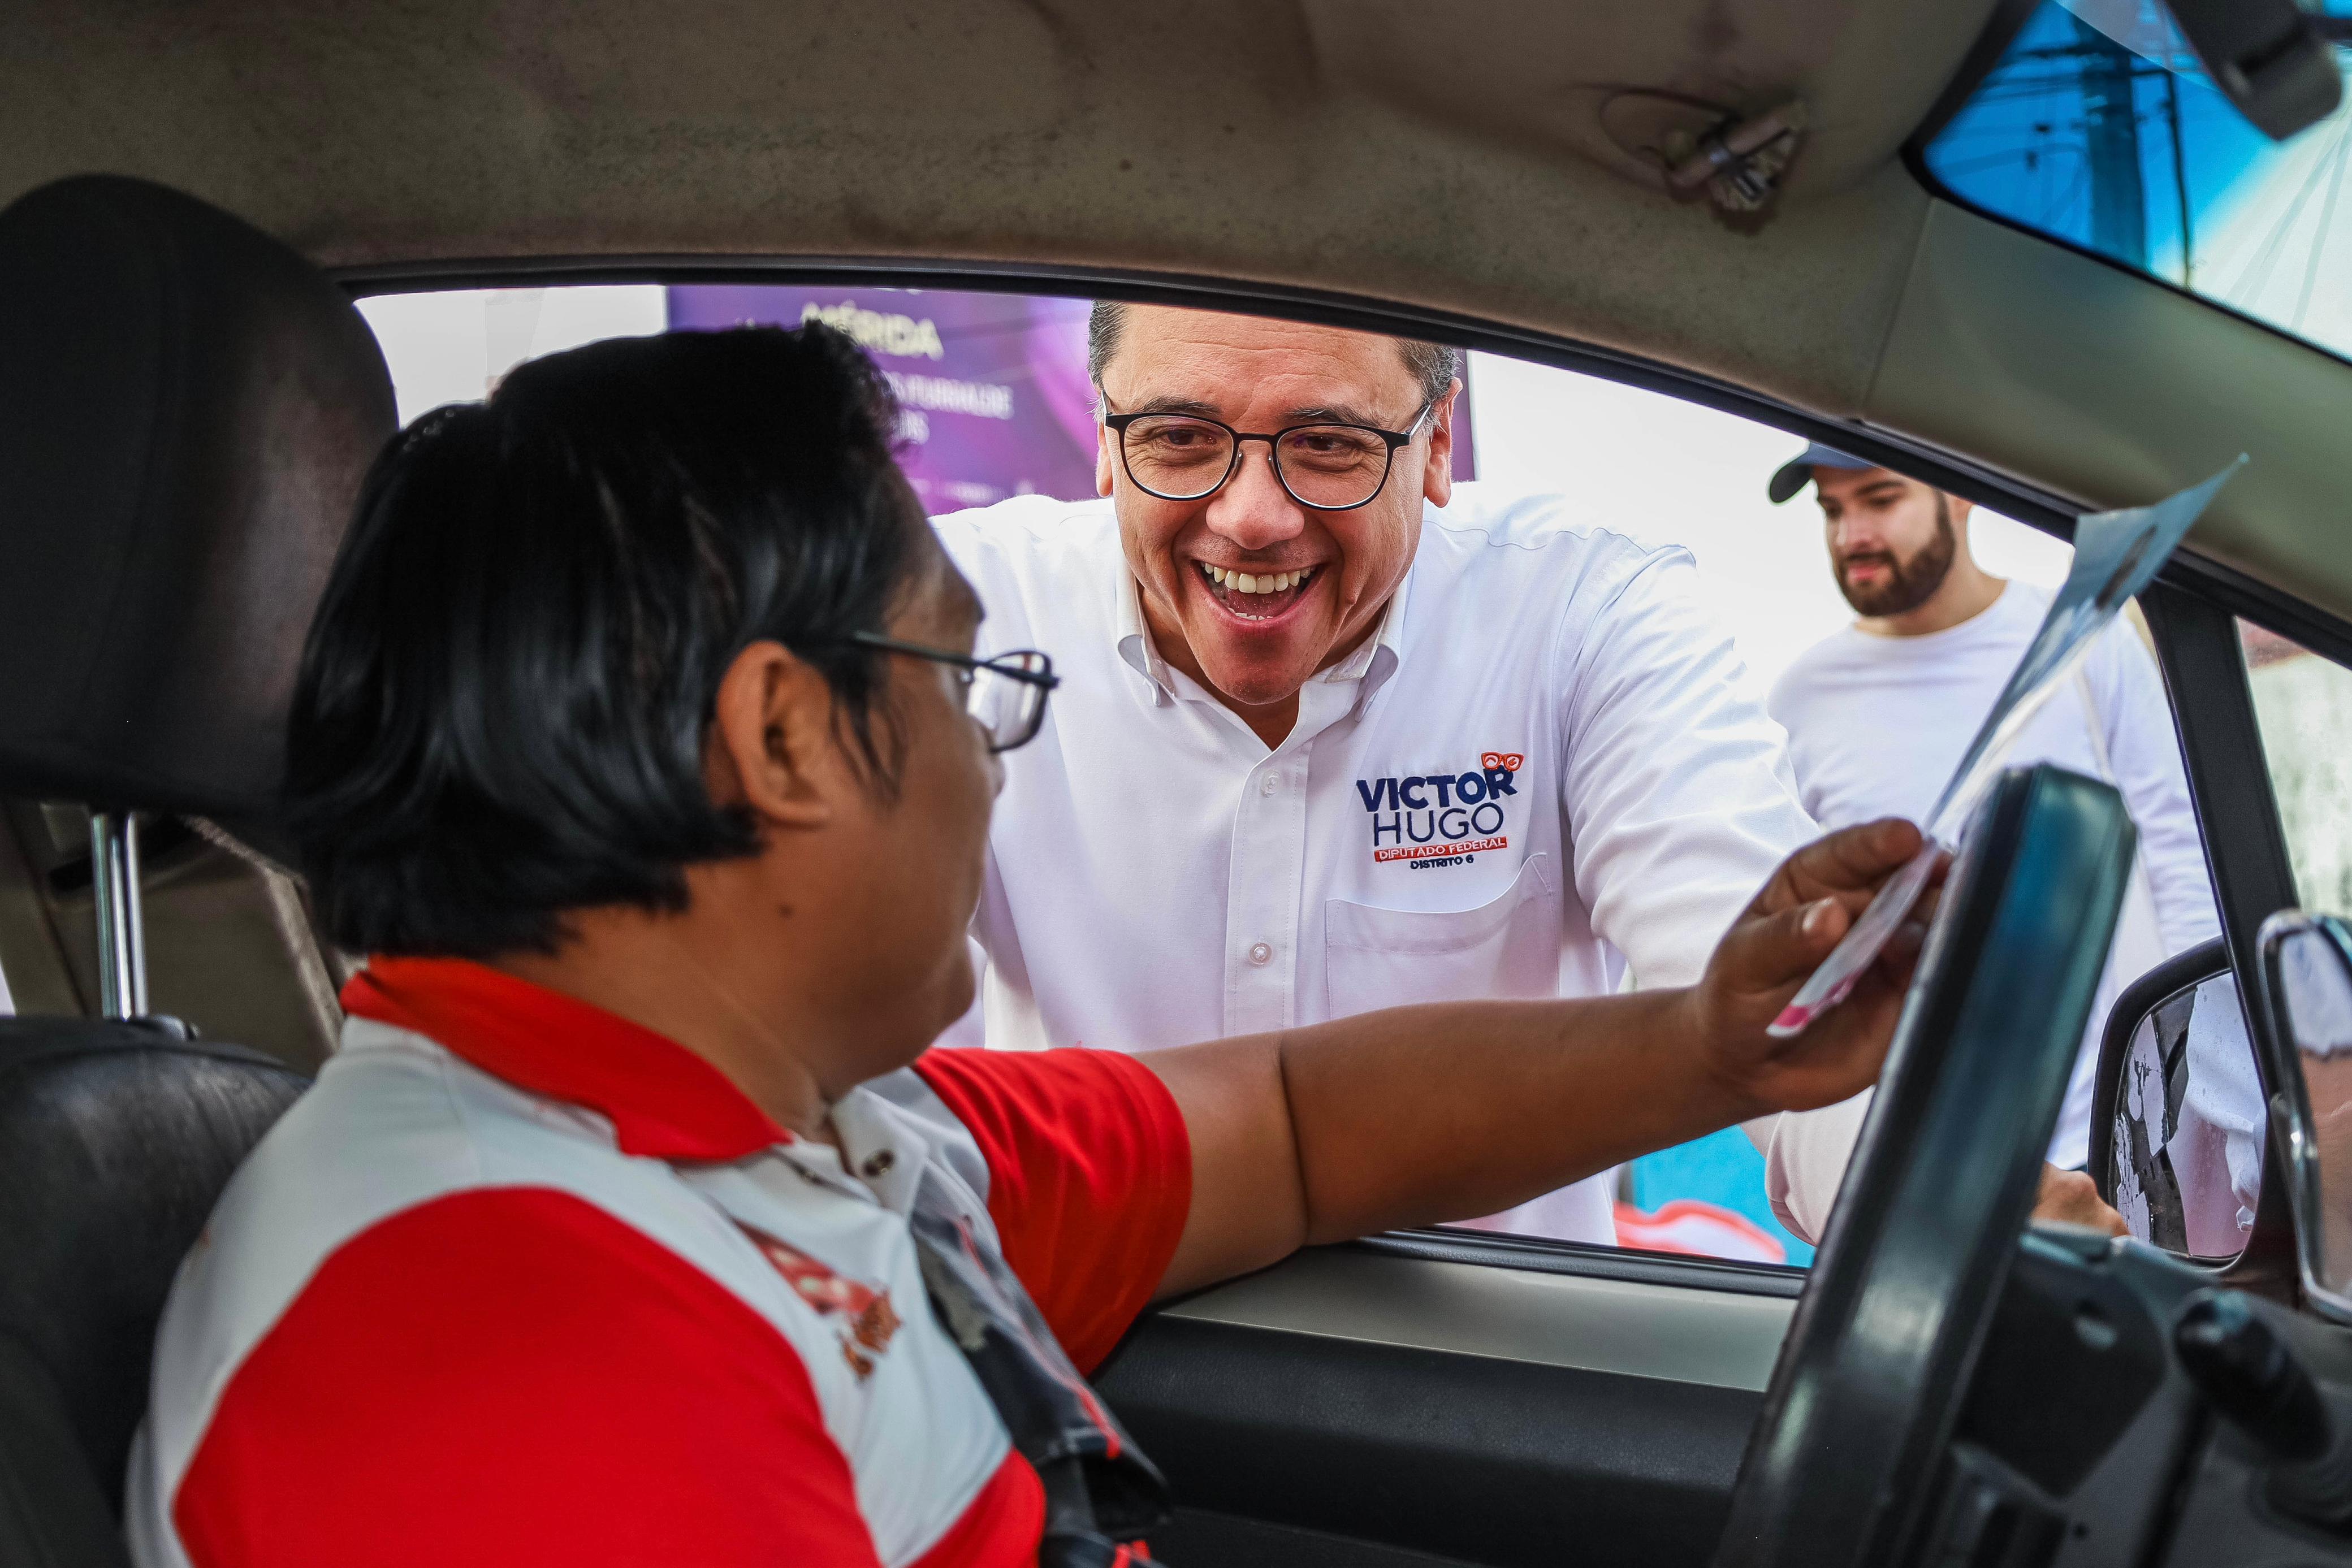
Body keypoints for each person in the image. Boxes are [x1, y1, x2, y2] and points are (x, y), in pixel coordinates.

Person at [128, 326, 1935, 1568]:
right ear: (784, 737)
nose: (998, 755)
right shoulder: (510, 1365)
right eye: (967, 679)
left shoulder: (819, 1136)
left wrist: (1709, 1045)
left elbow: (1290, 1121)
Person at [933, 304, 1825, 1241]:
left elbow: (1772, 986)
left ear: (1438, 443)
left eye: (1327, 444)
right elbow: (856, 1066)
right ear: (1105, 435)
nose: (1251, 518)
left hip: (1491, 1331)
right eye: (1181, 438)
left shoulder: (1580, 616)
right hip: (1096, 1322)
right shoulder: (960, 614)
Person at [1760, 444, 2221, 1240]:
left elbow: (2187, 864)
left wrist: (2196, 1100)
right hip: (1933, 1175)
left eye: (1880, 499)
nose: (1851, 534)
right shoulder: (1803, 700)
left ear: (1960, 493)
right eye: (1832, 510)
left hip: (2126, 1141)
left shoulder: (2085, 644)